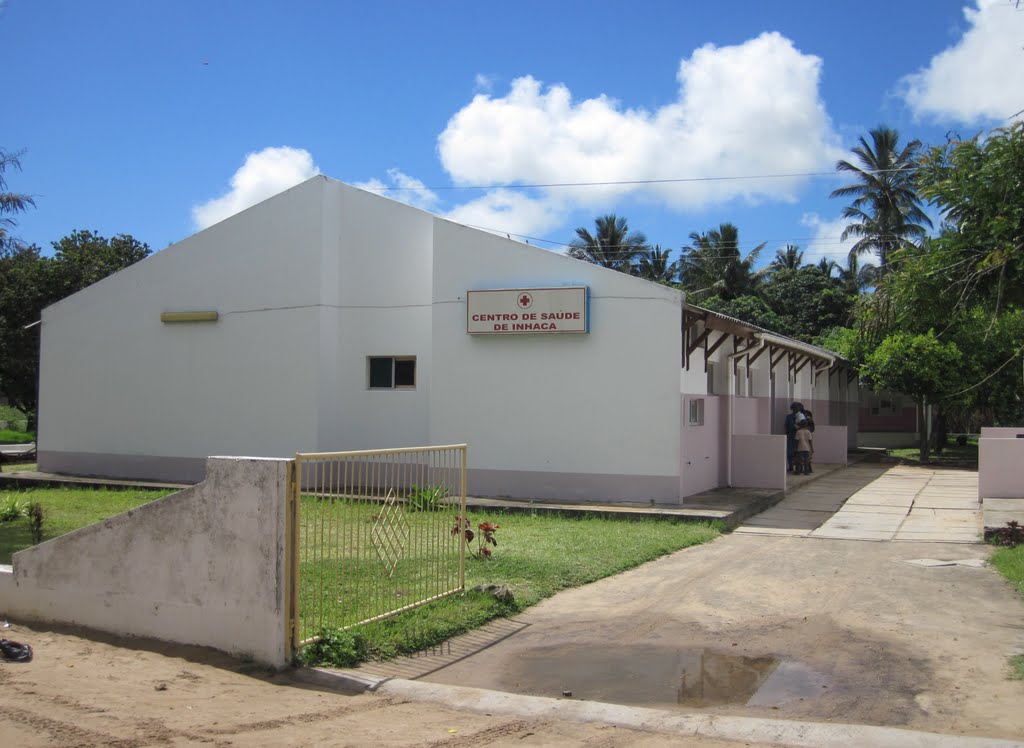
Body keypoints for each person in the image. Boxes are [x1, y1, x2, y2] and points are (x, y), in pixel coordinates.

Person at [784, 402, 804, 472]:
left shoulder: (802, 416)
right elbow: (787, 426)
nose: (796, 409)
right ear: (792, 409)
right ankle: (790, 466)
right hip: (791, 436)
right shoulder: (789, 417)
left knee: (799, 452)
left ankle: (799, 468)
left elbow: (804, 426)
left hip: (800, 437)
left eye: (798, 408)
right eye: (794, 408)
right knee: (789, 453)